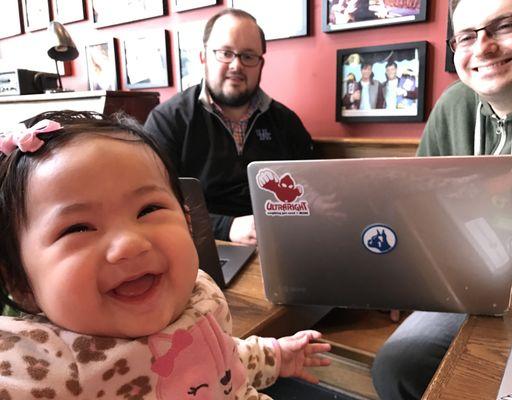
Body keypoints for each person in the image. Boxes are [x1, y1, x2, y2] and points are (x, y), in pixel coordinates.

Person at [0, 110, 331, 398]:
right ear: (21, 282)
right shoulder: (42, 364)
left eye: (149, 209)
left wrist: (276, 357)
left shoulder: (198, 296)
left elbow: (220, 355)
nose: (130, 244)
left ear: (188, 219)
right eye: (78, 228)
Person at [372, 0, 512, 398]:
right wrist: (404, 273)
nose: (482, 47)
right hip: (465, 288)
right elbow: (419, 208)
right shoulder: (453, 106)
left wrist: (452, 246)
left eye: (505, 24)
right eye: (466, 36)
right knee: (396, 367)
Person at [144, 9, 314, 246]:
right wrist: (227, 227)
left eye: (248, 56)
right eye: (225, 53)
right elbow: (152, 206)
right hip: (202, 246)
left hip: (282, 244)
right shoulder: (167, 121)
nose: (236, 65)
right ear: (204, 57)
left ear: (261, 64)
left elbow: (310, 191)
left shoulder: (286, 122)